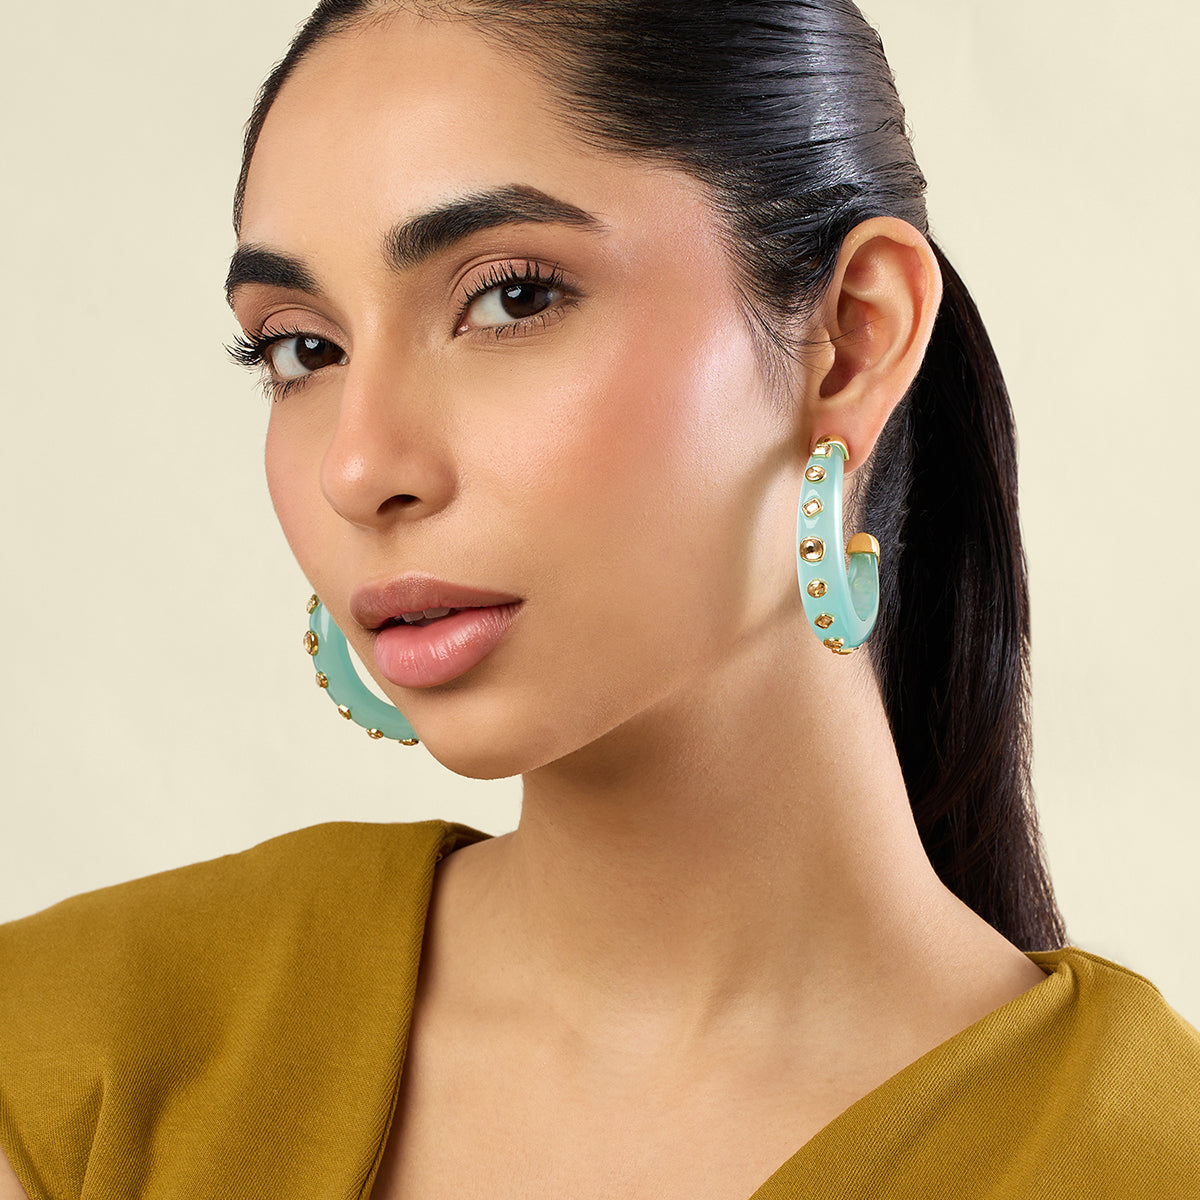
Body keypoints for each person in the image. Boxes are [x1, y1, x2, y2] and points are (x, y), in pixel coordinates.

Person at [2, 1, 1197, 1196]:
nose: (358, 468)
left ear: (851, 339)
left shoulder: (1142, 1160)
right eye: (303, 349)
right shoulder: (73, 1057)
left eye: (512, 298)